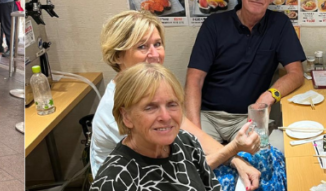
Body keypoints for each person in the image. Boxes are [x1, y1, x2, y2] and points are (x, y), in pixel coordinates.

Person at [93, 11, 279, 191]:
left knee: (267, 161)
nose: (154, 54)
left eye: (157, 44)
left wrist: (237, 159)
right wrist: (232, 152)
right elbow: (170, 172)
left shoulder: (155, 88)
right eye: (142, 47)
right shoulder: (117, 109)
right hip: (150, 177)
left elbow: (190, 135)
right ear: (118, 55)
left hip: (175, 168)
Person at [186, 0, 305, 146]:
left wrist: (269, 96)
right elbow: (194, 80)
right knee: (193, 159)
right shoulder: (214, 24)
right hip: (208, 116)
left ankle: (230, 160)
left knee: (279, 151)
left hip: (248, 118)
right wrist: (195, 131)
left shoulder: (280, 25)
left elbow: (296, 74)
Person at [91, 62, 221, 191]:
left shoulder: (187, 143)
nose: (165, 117)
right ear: (126, 116)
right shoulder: (112, 182)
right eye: (150, 108)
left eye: (172, 104)